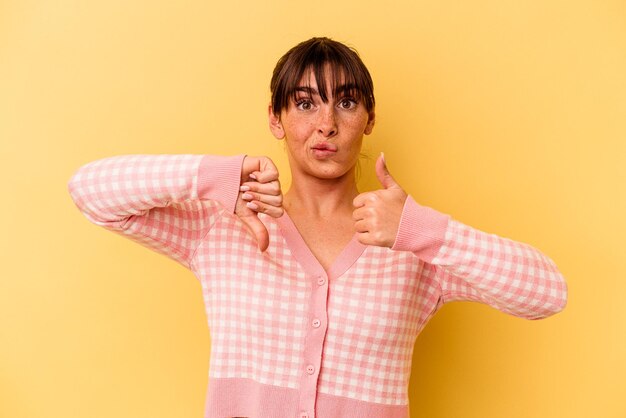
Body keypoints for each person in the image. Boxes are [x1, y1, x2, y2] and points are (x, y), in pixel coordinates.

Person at [67, 37, 568, 418]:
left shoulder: (412, 244)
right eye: (305, 103)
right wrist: (216, 176)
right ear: (276, 118)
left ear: (369, 118)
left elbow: (546, 293)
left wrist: (424, 230)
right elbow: (89, 191)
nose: (326, 123)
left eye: (346, 103)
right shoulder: (222, 226)